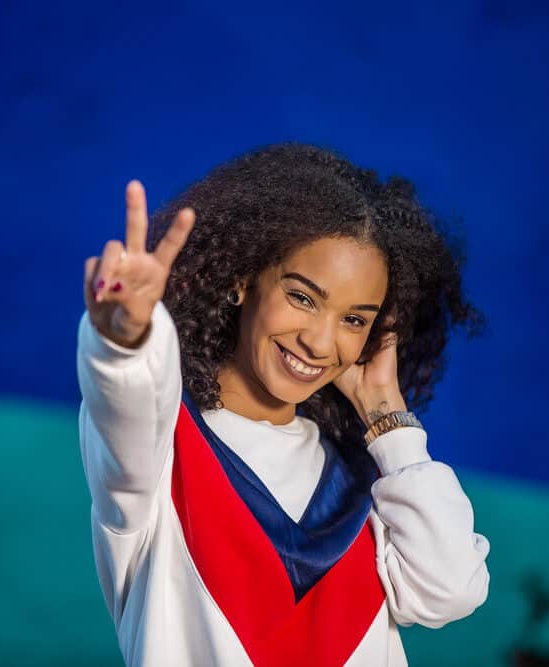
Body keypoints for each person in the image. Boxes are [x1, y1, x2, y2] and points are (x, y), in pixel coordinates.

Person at [76, 143, 491, 666]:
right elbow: (128, 398)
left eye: (355, 319)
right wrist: (125, 337)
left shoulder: (371, 483)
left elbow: (450, 591)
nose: (321, 342)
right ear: (243, 279)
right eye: (302, 297)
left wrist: (388, 416)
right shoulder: (158, 455)